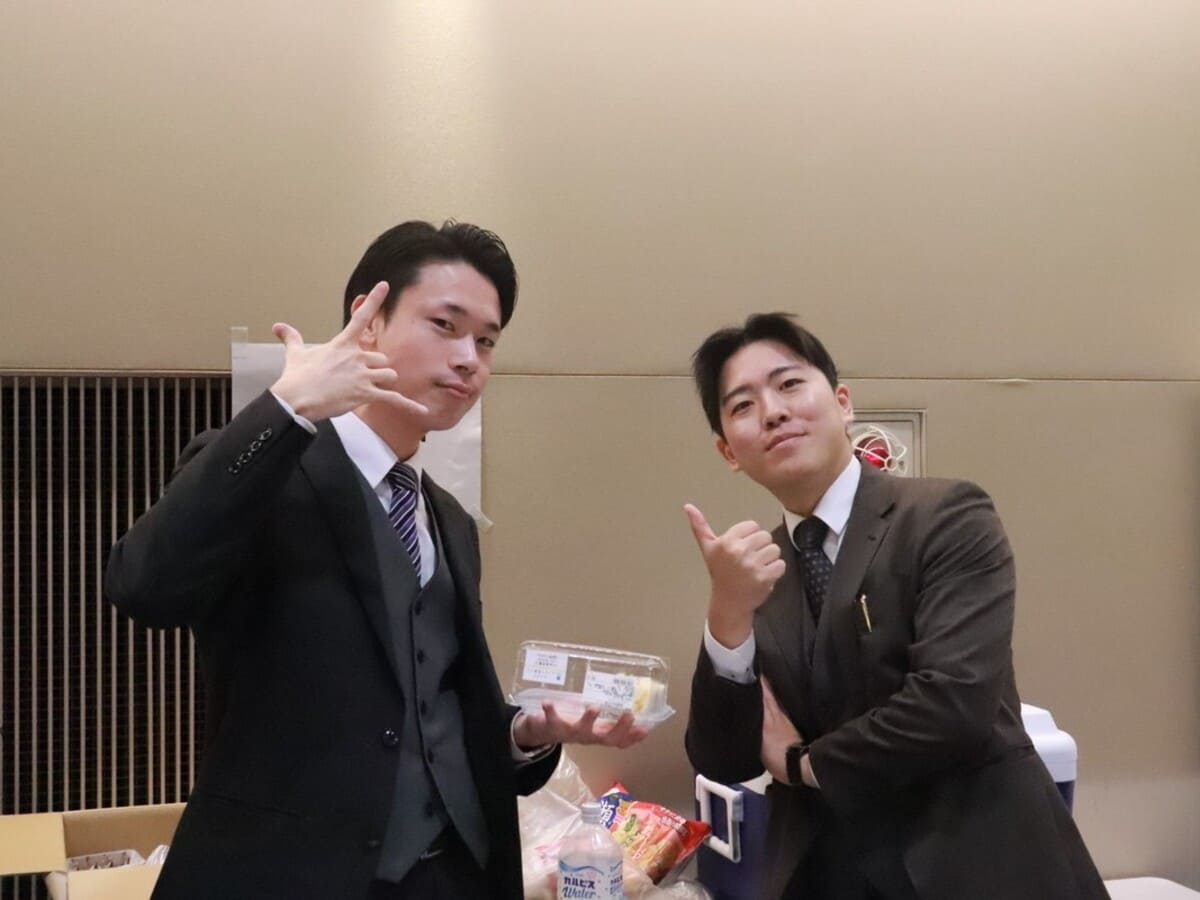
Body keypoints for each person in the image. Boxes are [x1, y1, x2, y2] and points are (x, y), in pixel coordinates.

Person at [105, 220, 646, 900]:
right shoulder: (270, 472)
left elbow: (434, 701)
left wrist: (524, 731)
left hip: (455, 875)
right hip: (289, 875)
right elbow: (143, 585)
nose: (469, 359)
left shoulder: (448, 519)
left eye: (486, 340)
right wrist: (286, 408)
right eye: (445, 325)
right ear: (368, 322)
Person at [682, 313, 1108, 900]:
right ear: (729, 451)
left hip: (978, 865)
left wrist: (802, 764)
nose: (773, 412)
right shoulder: (756, 572)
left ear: (843, 404)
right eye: (743, 405)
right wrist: (727, 613)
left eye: (789, 384)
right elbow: (722, 759)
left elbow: (951, 705)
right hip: (830, 877)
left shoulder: (944, 516)